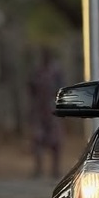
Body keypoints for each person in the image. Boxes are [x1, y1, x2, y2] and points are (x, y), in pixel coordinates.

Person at [28, 47, 64, 177]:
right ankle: (38, 169)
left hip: (52, 109)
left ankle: (55, 169)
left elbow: (61, 88)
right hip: (39, 109)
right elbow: (31, 88)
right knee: (38, 139)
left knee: (55, 141)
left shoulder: (56, 71)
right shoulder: (37, 70)